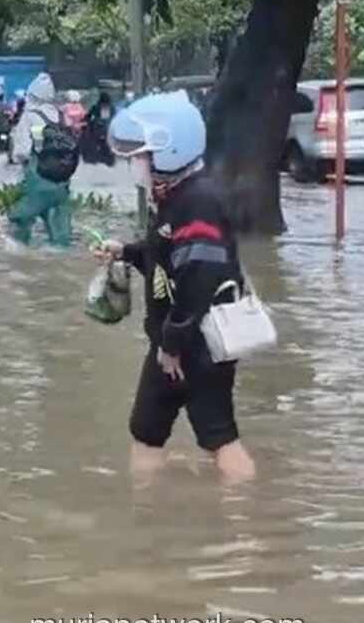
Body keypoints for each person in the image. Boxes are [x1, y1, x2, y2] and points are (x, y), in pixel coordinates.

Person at [93, 91, 256, 482]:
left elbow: (199, 277)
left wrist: (173, 343)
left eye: (141, 156)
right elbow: (167, 254)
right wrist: (126, 253)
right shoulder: (174, 197)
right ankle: (145, 519)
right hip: (171, 343)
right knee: (146, 430)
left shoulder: (199, 202)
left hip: (197, 346)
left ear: (169, 151)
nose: (135, 164)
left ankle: (247, 533)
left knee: (219, 437)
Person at [8, 73, 77, 246]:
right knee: (60, 233)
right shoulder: (60, 116)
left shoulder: (29, 116)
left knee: (20, 220)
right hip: (62, 182)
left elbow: (21, 152)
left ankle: (21, 256)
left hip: (38, 178)